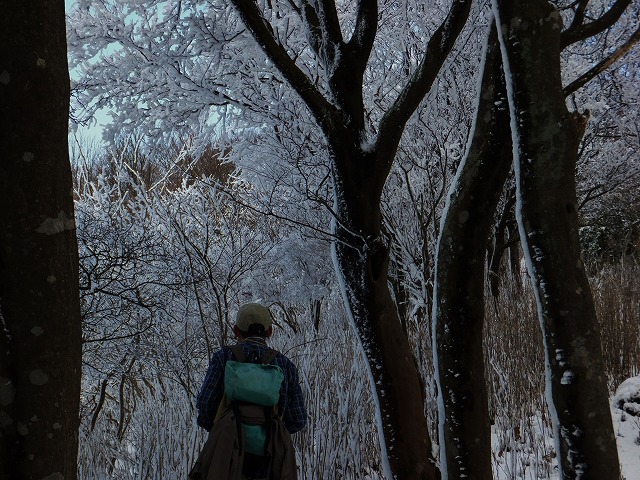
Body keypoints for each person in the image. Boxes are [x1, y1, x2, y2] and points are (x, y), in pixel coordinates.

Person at [194, 302, 306, 479]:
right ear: (269, 331)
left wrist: (224, 430)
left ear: (236, 330)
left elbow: (206, 407)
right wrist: (270, 433)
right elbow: (298, 419)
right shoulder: (286, 365)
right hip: (270, 460)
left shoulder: (222, 358)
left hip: (226, 454)